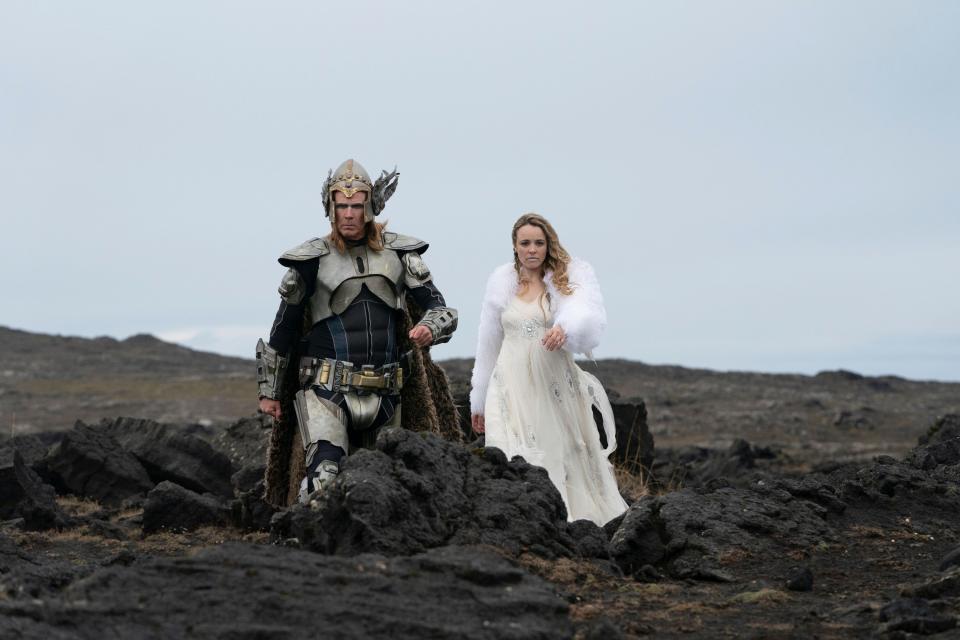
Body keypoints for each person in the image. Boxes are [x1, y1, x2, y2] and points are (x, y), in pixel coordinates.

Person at [256, 158, 458, 504]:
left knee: (389, 488)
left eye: (356, 205)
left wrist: (428, 328)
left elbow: (442, 311)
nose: (349, 213)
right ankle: (309, 550)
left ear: (371, 206)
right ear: (330, 208)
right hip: (326, 392)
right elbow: (284, 326)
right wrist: (270, 391)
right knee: (323, 482)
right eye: (342, 206)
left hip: (387, 393)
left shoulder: (400, 253)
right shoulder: (310, 260)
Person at [469, 213, 628, 525]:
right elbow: (487, 344)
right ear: (514, 247)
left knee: (557, 451)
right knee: (508, 450)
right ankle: (516, 522)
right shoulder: (501, 285)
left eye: (539, 243)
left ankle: (564, 522)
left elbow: (586, 315)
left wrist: (565, 327)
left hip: (552, 384)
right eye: (525, 243)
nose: (532, 249)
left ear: (548, 246)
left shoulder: (563, 280)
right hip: (509, 384)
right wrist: (480, 398)